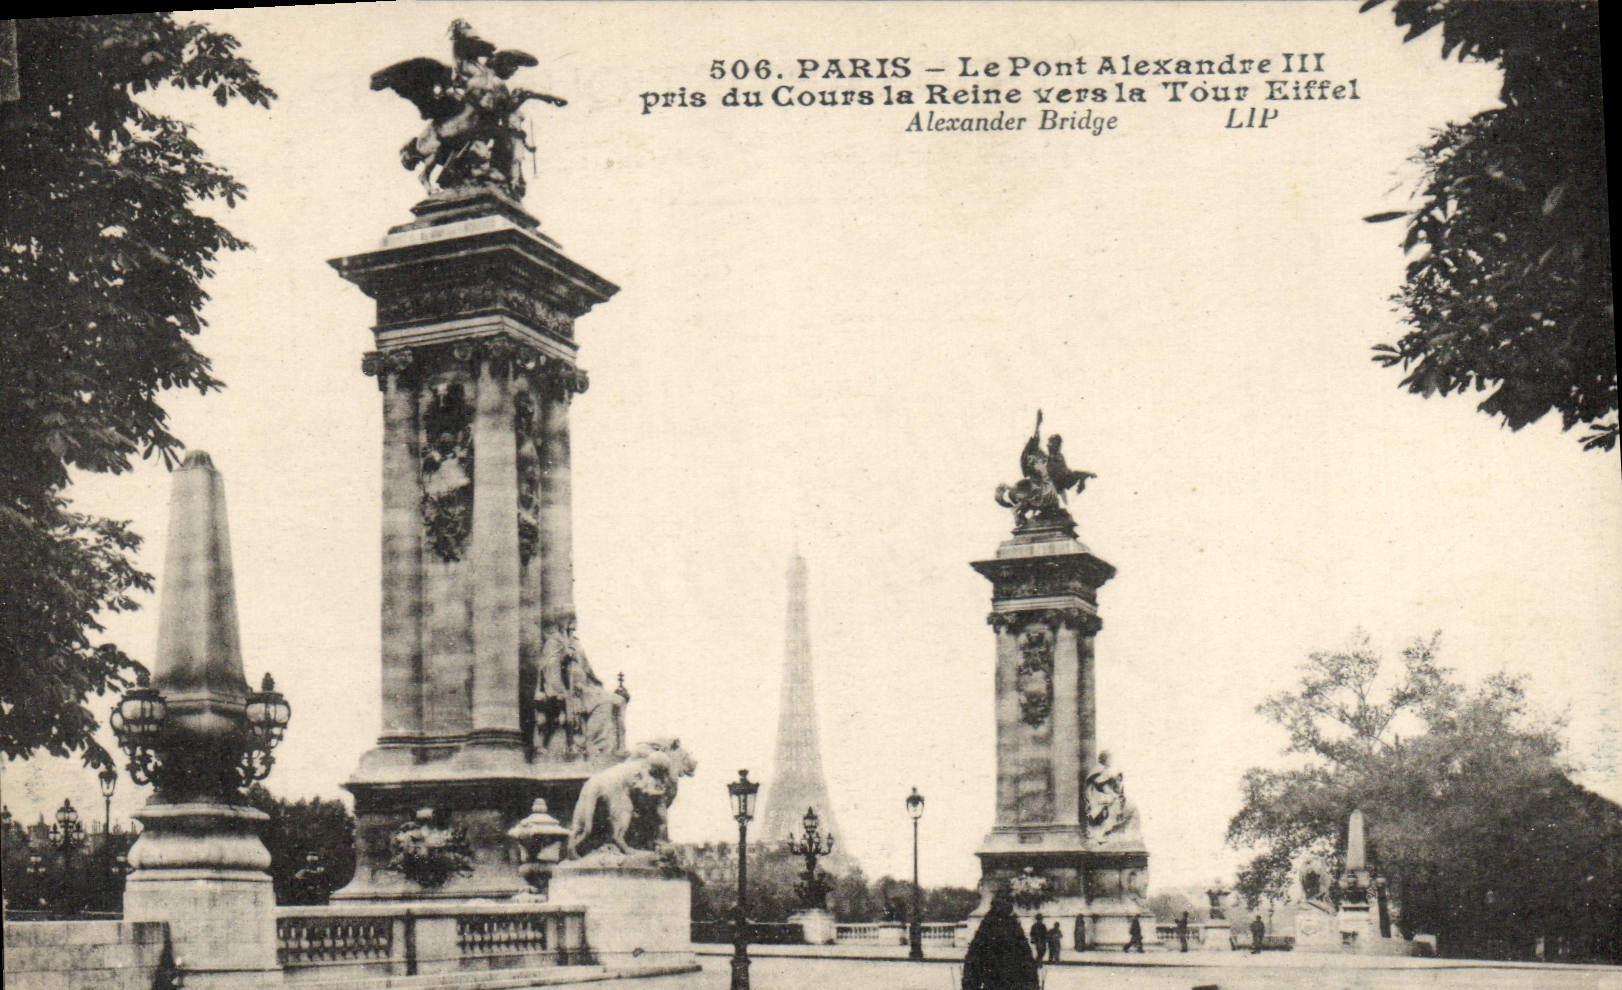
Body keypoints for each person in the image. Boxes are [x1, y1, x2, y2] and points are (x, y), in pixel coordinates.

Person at [961, 891, 1040, 990]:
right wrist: (1032, 985)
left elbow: (973, 962)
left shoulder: (986, 927)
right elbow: (1027, 961)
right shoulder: (1014, 927)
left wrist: (969, 986)